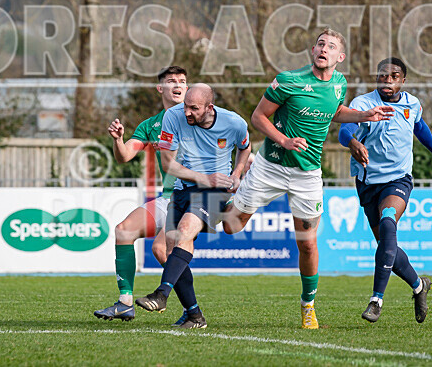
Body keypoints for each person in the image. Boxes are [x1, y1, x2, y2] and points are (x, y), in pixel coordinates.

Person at [222, 28, 394, 329]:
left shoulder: (339, 83)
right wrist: (284, 140)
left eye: (331, 46)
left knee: (308, 244)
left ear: (340, 57)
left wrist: (363, 116)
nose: (324, 49)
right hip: (271, 165)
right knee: (231, 226)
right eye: (320, 44)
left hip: (308, 175)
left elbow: (335, 112)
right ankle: (228, 190)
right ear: (313, 51)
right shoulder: (289, 80)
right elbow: (258, 117)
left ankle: (308, 307)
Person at [338, 57, 432, 323]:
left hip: (398, 179)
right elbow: (344, 131)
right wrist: (353, 142)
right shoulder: (363, 104)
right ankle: (419, 285)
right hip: (368, 182)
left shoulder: (412, 104)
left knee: (389, 223)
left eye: (394, 76)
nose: (387, 80)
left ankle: (376, 300)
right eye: (382, 75)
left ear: (403, 80)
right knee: (387, 247)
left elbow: (420, 128)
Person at [135, 84, 251, 329]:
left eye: (194, 108)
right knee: (165, 250)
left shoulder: (234, 122)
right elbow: (168, 164)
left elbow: (245, 147)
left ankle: (161, 294)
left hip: (215, 190)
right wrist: (204, 178)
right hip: (183, 187)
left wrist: (237, 173)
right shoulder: (173, 116)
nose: (186, 112)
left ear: (209, 107)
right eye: (186, 106)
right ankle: (194, 315)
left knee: (185, 230)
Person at [94, 66, 188, 323]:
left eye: (182, 81)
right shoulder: (151, 125)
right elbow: (124, 156)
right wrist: (118, 140)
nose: (177, 85)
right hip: (168, 197)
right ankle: (125, 303)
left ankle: (192, 310)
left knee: (160, 249)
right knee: (124, 230)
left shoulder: (196, 117)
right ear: (160, 88)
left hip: (192, 197)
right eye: (171, 81)